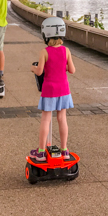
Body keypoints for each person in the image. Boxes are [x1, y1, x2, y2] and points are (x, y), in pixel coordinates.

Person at [29, 17, 76, 162]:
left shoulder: (45, 51)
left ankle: (42, 152)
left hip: (49, 90)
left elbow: (39, 72)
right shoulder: (66, 50)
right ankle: (64, 150)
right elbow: (72, 70)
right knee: (62, 119)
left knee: (46, 119)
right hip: (63, 90)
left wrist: (33, 68)